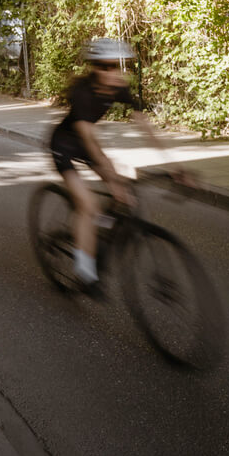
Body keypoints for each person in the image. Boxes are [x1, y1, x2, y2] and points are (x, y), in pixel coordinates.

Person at [49, 37, 163, 297]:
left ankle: (99, 233)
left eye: (116, 66)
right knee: (87, 206)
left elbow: (144, 126)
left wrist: (175, 165)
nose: (112, 72)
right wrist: (111, 175)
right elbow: (88, 139)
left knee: (125, 197)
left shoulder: (118, 87)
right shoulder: (82, 92)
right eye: (104, 66)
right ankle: (84, 271)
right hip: (64, 146)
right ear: (94, 68)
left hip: (87, 146)